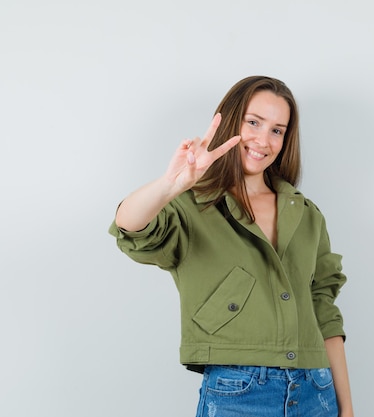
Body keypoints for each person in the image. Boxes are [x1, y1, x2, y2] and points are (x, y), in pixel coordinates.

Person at [109, 75, 353, 417]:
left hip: (317, 391)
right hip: (239, 393)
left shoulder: (306, 214)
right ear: (229, 122)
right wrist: (170, 185)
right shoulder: (192, 205)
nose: (263, 140)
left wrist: (347, 408)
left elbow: (323, 309)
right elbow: (130, 227)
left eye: (277, 130)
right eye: (253, 123)